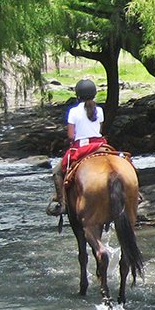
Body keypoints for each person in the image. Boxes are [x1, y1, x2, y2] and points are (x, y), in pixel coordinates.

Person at [47, 79, 107, 216]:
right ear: (94, 94)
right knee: (123, 159)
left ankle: (62, 204)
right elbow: (100, 129)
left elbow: (70, 135)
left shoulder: (73, 111)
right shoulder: (99, 110)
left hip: (81, 147)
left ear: (77, 95)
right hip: (100, 145)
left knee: (56, 171)